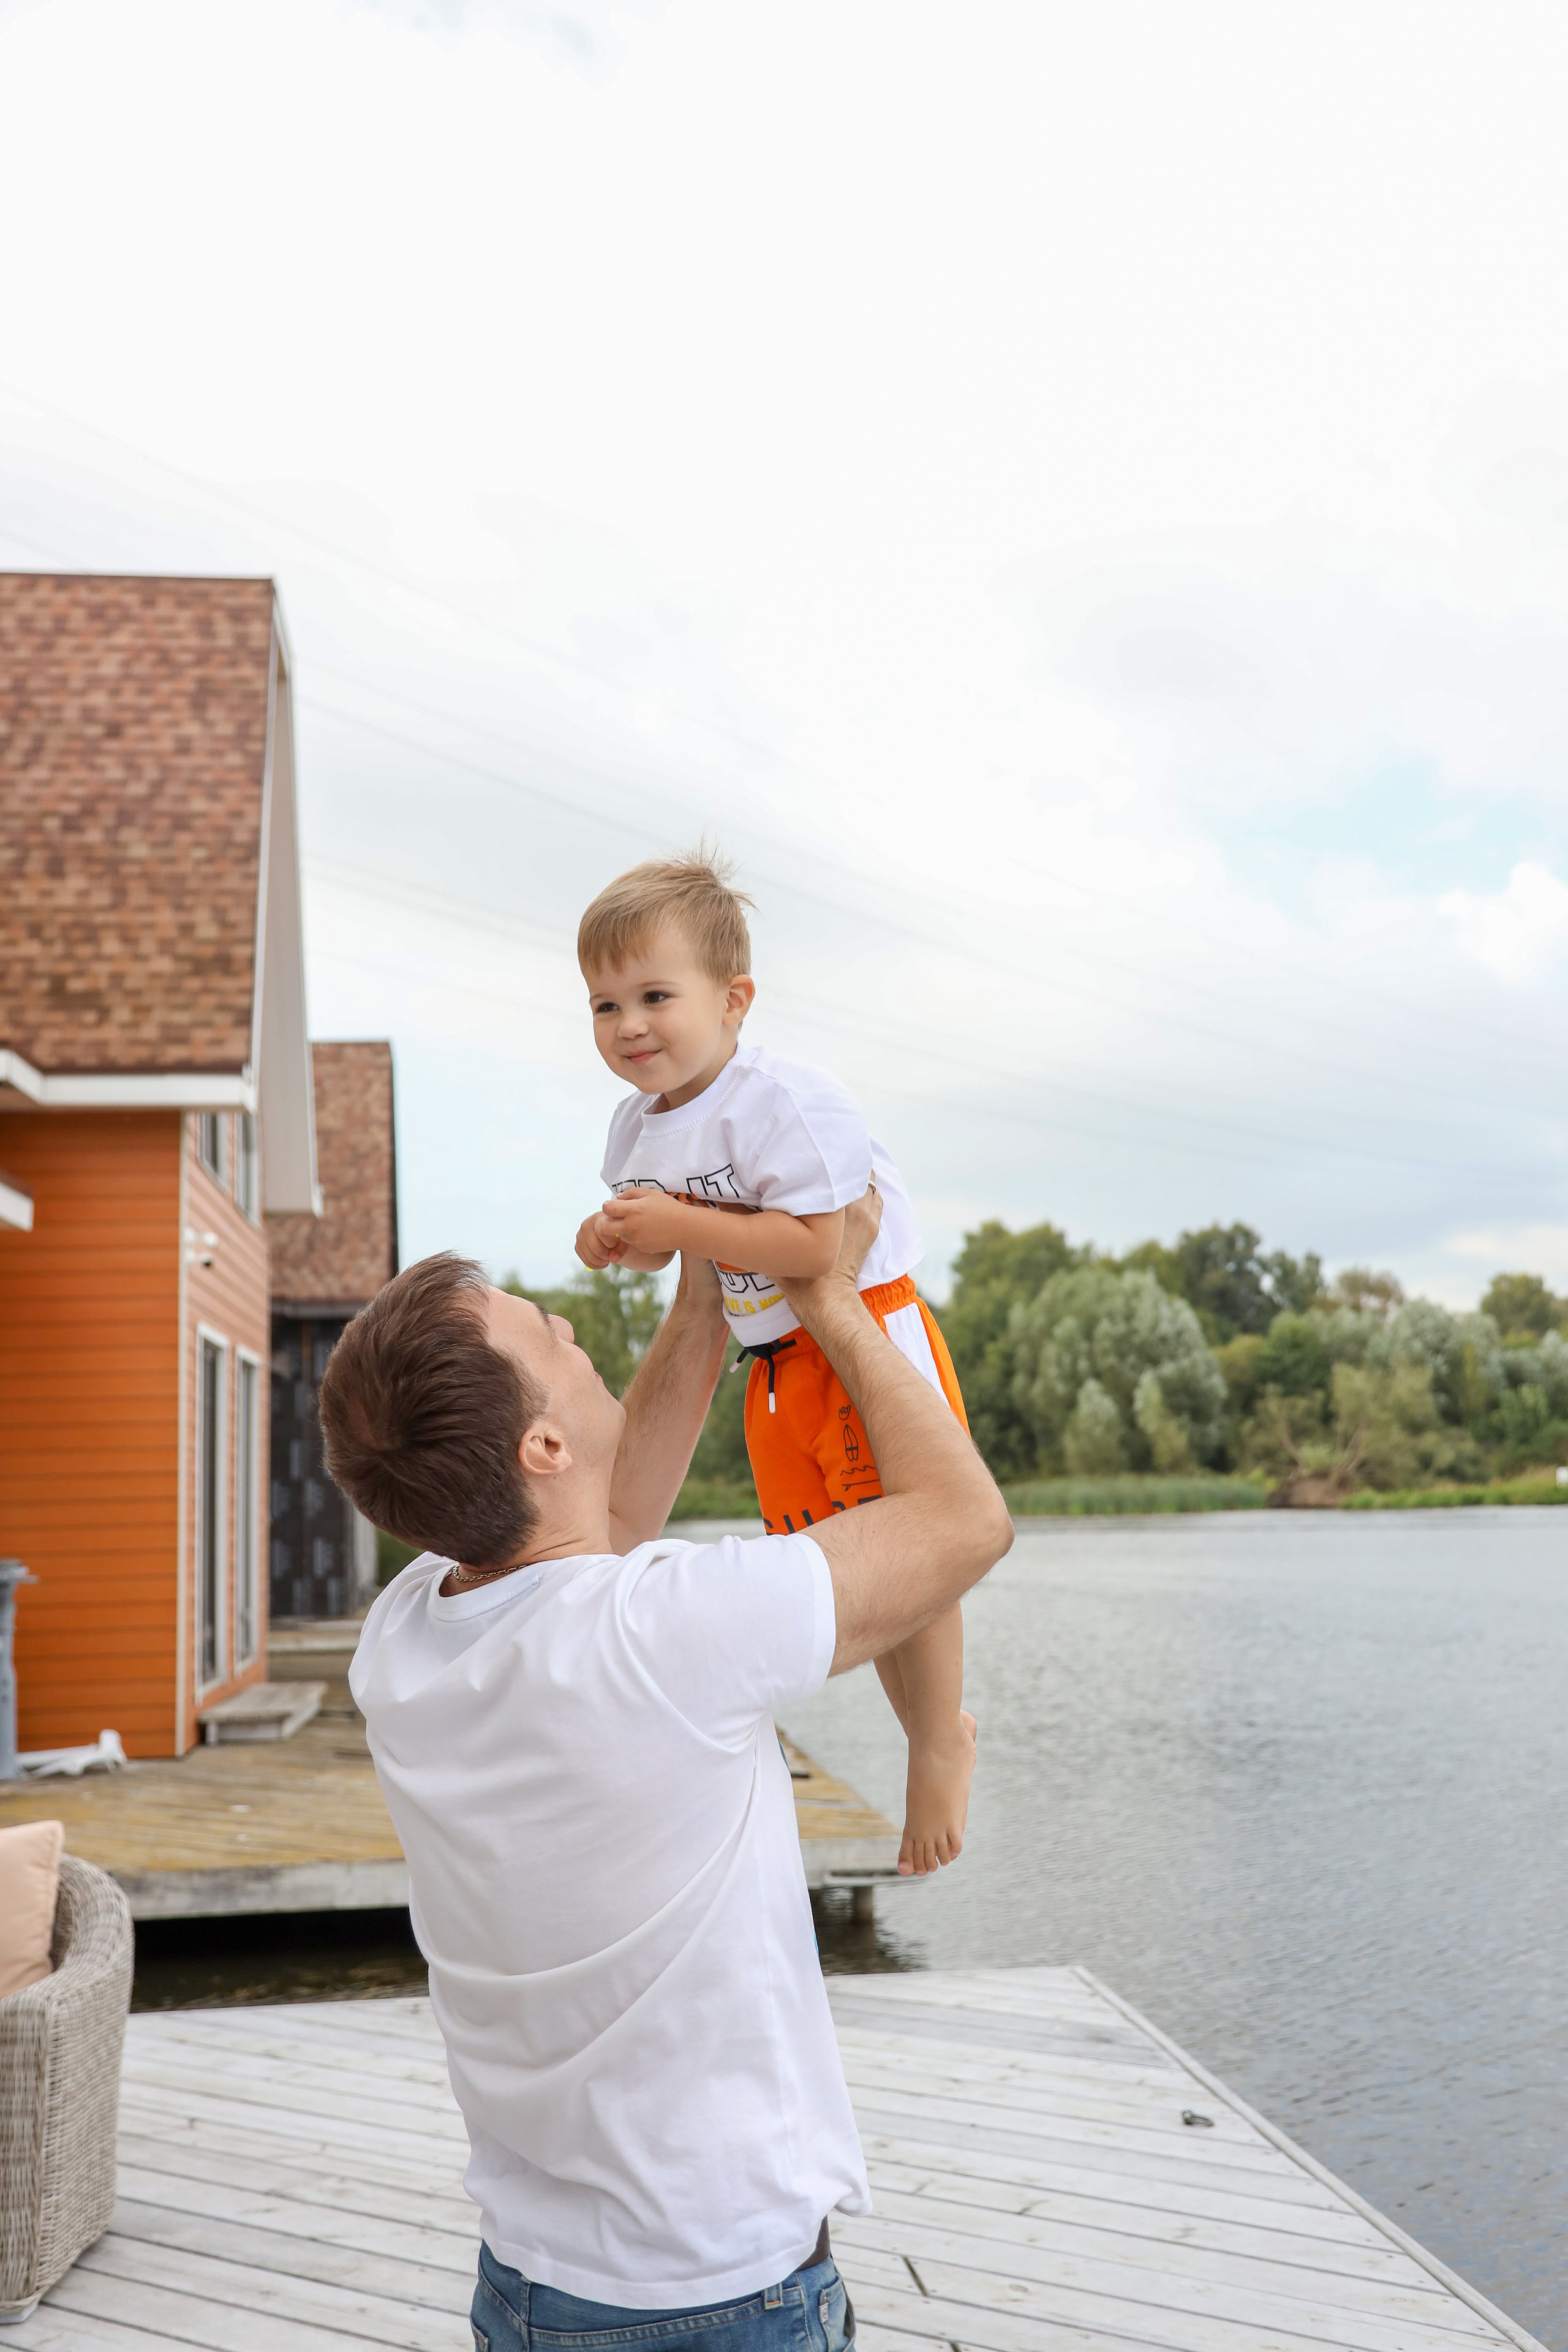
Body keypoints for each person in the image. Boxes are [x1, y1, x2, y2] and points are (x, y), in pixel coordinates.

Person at [321, 1196, 1011, 2352]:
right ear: (540, 1447)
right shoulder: (662, 1632)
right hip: (717, 2295)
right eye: (552, 1331)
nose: (576, 1330)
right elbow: (963, 1521)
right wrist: (828, 1298)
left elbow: (602, 1514)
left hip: (533, 2280)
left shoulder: (405, 1635)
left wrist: (708, 1282)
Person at [574, 850, 974, 1877]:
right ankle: (918, 1736)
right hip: (774, 1362)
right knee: (858, 1562)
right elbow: (673, 1246)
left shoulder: (785, 1099)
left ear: (734, 999)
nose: (629, 1026)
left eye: (656, 996)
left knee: (916, 1540)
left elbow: (811, 1250)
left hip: (860, 1335)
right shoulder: (639, 1126)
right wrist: (624, 1237)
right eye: (605, 1004)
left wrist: (682, 1220)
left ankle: (939, 1739)